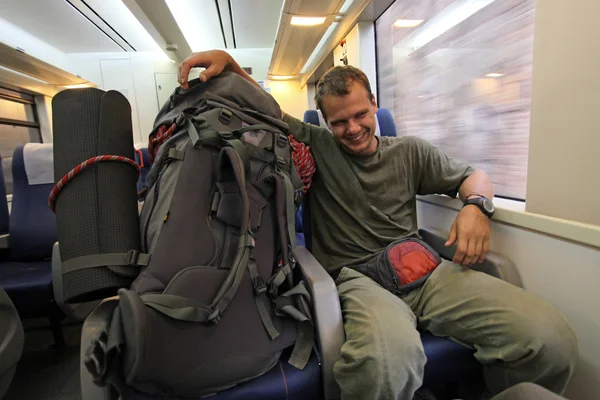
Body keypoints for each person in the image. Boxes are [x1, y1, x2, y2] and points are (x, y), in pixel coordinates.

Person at [177, 50, 578, 400]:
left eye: (360, 115)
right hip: (359, 278)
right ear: (325, 122)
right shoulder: (319, 145)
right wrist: (231, 67)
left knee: (548, 339)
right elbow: (267, 108)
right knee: (386, 366)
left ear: (374, 104)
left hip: (424, 271)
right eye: (339, 122)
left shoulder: (410, 151)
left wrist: (476, 207)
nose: (352, 129)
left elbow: (473, 177)